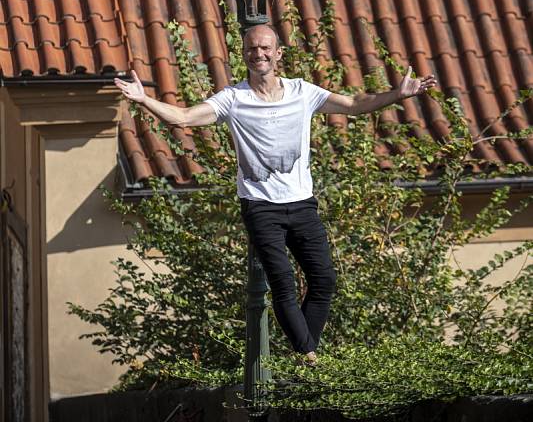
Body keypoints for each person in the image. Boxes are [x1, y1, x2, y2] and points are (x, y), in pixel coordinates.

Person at [114, 25, 437, 364]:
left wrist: (397, 94)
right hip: (260, 205)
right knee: (281, 283)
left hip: (301, 203)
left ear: (279, 53)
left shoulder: (303, 92)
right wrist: (143, 99)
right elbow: (183, 117)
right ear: (244, 56)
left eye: (266, 48)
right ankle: (309, 356)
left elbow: (354, 104)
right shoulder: (234, 99)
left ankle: (304, 350)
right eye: (253, 49)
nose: (260, 54)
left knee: (324, 279)